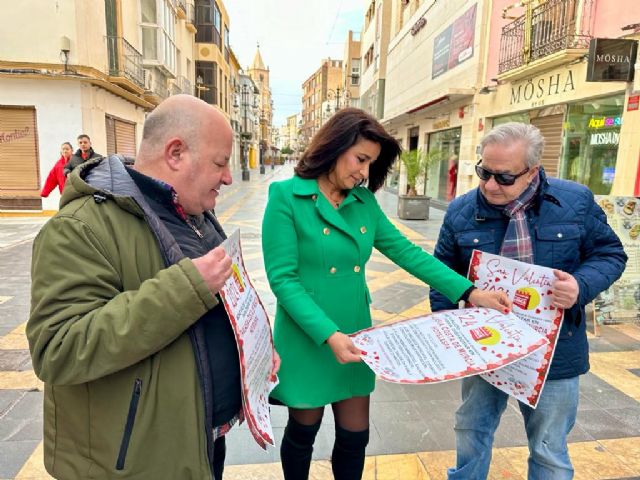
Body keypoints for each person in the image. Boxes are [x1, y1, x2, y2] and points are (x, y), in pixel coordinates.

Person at [27, 95, 278, 479]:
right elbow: (57, 348)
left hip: (198, 443)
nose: (229, 177)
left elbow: (213, 309)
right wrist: (186, 287)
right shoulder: (79, 228)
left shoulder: (195, 213)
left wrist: (253, 357)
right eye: (220, 163)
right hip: (137, 462)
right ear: (175, 153)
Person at [261, 108, 512, 480]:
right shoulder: (286, 196)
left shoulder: (363, 204)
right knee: (303, 431)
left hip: (357, 333)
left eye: (371, 163)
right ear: (335, 145)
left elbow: (408, 253)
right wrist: (327, 334)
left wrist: (470, 291)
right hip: (308, 335)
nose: (363, 172)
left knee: (355, 435)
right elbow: (283, 280)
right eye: (360, 159)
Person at [429, 122, 627, 480]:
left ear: (533, 170)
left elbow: (610, 254)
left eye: (504, 177)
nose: (490, 185)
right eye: (484, 172)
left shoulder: (575, 201)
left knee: (549, 448)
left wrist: (580, 286)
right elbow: (441, 274)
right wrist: (449, 335)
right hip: (484, 346)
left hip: (554, 350)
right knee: (471, 431)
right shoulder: (461, 211)